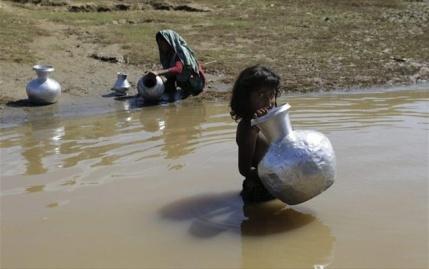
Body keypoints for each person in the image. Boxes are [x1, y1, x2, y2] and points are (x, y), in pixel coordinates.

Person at [230, 65, 281, 203]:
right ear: (245, 98)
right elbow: (245, 170)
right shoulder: (248, 127)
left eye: (271, 94)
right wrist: (273, 176)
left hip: (275, 186)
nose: (268, 101)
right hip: (258, 190)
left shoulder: (273, 121)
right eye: (261, 95)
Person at [147, 29, 205, 97]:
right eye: (159, 44)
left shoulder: (181, 52)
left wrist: (158, 72)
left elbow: (178, 69)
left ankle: (187, 92)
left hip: (195, 83)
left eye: (163, 43)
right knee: (167, 86)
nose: (161, 46)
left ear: (170, 41)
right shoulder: (170, 53)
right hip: (182, 79)